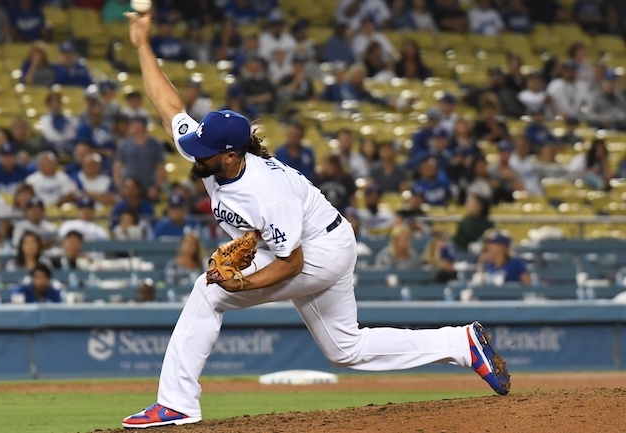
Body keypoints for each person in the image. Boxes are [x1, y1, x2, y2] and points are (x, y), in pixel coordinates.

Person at [121, 11, 510, 427]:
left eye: (205, 151)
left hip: (317, 250)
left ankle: (177, 403)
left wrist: (242, 282)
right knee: (345, 348)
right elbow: (168, 106)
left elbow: (293, 264)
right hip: (320, 238)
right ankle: (462, 343)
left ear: (231, 155)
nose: (195, 154)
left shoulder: (267, 194)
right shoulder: (215, 154)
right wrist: (143, 43)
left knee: (208, 292)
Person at [113, 116, 165, 200]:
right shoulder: (125, 144)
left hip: (148, 187)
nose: (130, 126)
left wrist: (156, 187)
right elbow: (117, 167)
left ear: (142, 126)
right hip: (129, 187)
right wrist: (119, 187)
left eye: (134, 124)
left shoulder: (155, 144)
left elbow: (162, 168)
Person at [39, 91, 78, 155]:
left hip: (68, 144)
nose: (56, 105)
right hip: (53, 145)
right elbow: (50, 136)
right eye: (53, 102)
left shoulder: (69, 118)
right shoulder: (45, 119)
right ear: (49, 104)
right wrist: (62, 140)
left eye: (58, 102)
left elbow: (73, 133)